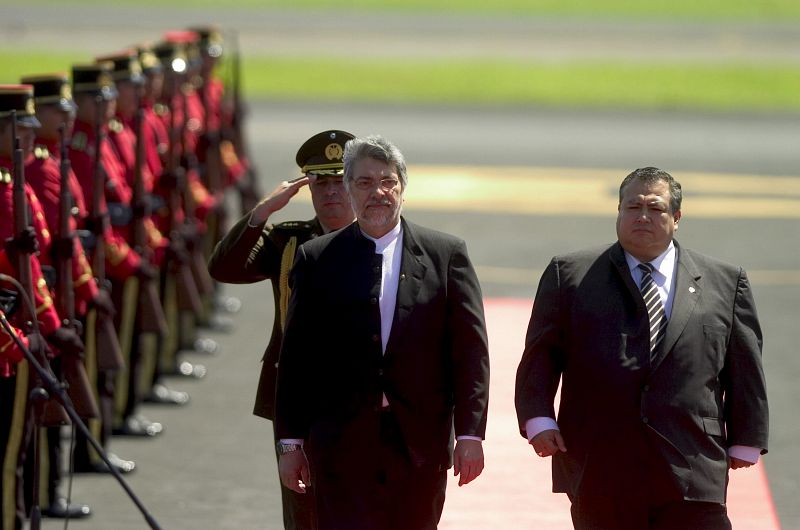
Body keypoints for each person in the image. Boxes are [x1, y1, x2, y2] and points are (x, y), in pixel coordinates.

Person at [514, 167, 769, 529]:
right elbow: (540, 356)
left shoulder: (725, 282)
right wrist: (537, 418)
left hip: (693, 464)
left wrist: (748, 437)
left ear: (676, 218)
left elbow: (744, 366)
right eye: (633, 207)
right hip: (601, 464)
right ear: (618, 211)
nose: (643, 217)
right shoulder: (569, 274)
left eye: (656, 208)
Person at [274, 135, 490, 530]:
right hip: (340, 444)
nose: (379, 192)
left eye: (388, 181)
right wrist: (290, 443)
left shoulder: (446, 254)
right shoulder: (318, 257)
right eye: (364, 182)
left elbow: (470, 352)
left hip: (418, 445)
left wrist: (471, 434)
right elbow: (297, 359)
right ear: (349, 189)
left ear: (402, 189)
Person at [208, 129, 356, 530]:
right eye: (320, 182)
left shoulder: (381, 240)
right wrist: (261, 214)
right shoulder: (288, 240)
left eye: (340, 181)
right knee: (303, 508)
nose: (330, 193)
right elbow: (224, 269)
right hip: (299, 394)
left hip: (362, 392)